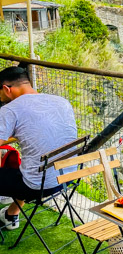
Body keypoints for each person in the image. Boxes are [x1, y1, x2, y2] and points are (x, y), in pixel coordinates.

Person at [0, 67, 77, 230]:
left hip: (36, 186)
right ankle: (11, 214)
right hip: (68, 177)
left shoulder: (10, 109)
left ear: (6, 89)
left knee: (21, 172)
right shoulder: (62, 101)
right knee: (28, 168)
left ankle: (11, 212)